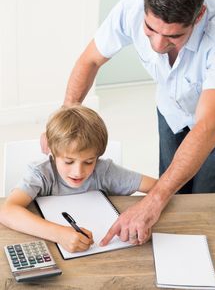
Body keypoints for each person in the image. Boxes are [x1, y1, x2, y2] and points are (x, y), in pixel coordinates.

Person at [41, 0, 215, 246]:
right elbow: (91, 59)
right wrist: (64, 124)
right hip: (171, 112)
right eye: (150, 29)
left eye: (173, 36)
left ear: (199, 15)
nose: (157, 45)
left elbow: (208, 127)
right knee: (170, 190)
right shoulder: (132, 5)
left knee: (202, 201)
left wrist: (152, 201)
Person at [0, 104, 156, 252]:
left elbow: (159, 188)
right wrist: (59, 234)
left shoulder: (104, 171)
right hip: (51, 249)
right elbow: (6, 211)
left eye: (89, 162)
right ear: (53, 153)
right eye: (68, 161)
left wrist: (143, 220)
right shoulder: (41, 174)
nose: (78, 172)